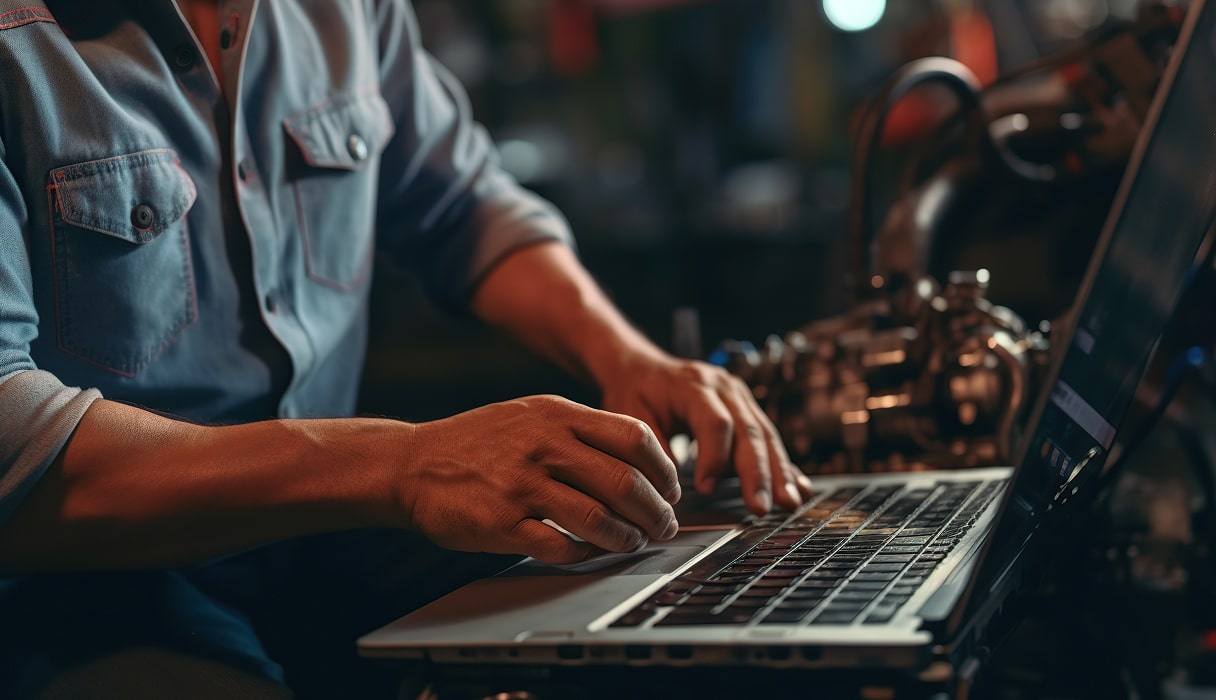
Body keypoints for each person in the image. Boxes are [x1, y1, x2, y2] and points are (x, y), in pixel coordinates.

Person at [0, 0, 813, 695]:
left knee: (689, 613)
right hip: (87, 577)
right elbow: (14, 441)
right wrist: (401, 462)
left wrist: (624, 356)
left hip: (328, 529)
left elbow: (462, 205)